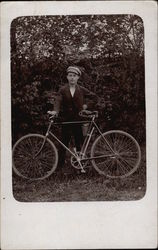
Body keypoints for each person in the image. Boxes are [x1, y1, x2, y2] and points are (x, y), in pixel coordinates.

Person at [50, 66, 98, 168]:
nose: (72, 78)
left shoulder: (81, 89)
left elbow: (94, 97)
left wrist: (86, 105)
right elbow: (57, 100)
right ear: (67, 77)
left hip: (78, 119)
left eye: (74, 76)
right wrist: (55, 111)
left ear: (78, 78)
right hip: (66, 120)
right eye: (70, 76)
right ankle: (59, 166)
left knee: (79, 141)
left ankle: (80, 164)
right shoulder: (63, 90)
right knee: (63, 142)